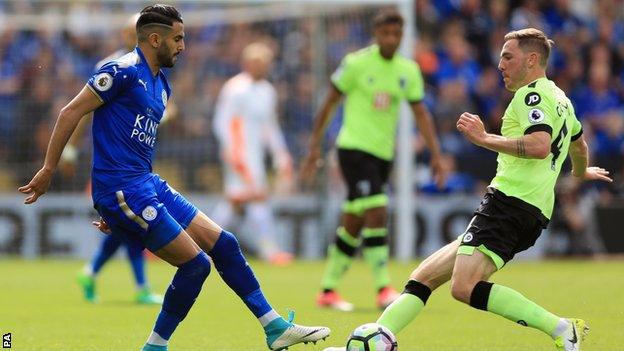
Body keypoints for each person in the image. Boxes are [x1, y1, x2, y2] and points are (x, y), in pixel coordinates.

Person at [19, 5, 330, 351]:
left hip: (144, 183)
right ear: (155, 39)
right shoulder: (120, 71)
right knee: (196, 265)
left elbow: (134, 144)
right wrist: (49, 169)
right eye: (178, 38)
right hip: (122, 188)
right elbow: (70, 112)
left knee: (224, 243)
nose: (183, 46)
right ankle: (154, 347)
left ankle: (273, 326)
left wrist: (123, 218)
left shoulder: (162, 86)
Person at [322, 28, 612, 351]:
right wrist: (582, 172)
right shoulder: (563, 101)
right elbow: (580, 146)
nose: (500, 64)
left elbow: (540, 145)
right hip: (525, 207)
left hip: (511, 204)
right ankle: (375, 341)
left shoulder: (533, 95)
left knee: (464, 286)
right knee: (424, 276)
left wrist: (483, 138)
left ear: (532, 60)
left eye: (507, 57)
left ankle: (561, 329)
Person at [301, 8, 446, 311]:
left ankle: (327, 290)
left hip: (383, 154)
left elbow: (421, 113)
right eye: (386, 33)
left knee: (354, 221)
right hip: (353, 148)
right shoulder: (355, 64)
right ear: (376, 34)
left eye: (397, 34)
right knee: (377, 210)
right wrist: (314, 146)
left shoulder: (408, 71)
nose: (391, 39)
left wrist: (435, 154)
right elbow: (329, 103)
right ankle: (383, 288)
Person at [60, 13, 163, 305]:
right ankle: (137, 285)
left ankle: (93, 272)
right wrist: (70, 150)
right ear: (127, 35)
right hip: (112, 162)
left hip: (136, 160)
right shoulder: (113, 67)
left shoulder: (152, 70)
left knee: (126, 224)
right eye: (134, 31)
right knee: (130, 222)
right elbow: (82, 110)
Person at [211, 41, 294, 266]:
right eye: (257, 62)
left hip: (254, 154)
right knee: (256, 198)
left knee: (234, 203)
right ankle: (270, 250)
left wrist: (281, 154)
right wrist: (232, 153)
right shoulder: (235, 88)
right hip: (238, 153)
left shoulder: (268, 91)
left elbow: (270, 127)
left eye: (265, 63)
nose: (261, 67)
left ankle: (200, 245)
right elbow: (221, 123)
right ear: (246, 63)